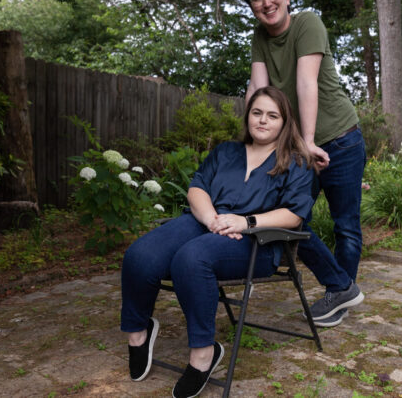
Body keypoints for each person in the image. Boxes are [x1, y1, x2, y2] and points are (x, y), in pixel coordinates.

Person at [120, 86, 316, 397]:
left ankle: (203, 354)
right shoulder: (226, 152)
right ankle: (138, 334)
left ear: (284, 121)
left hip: (256, 241)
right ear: (248, 116)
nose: (263, 120)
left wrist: (245, 221)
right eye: (257, 112)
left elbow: (293, 215)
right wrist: (213, 220)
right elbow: (197, 188)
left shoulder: (296, 162)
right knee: (140, 255)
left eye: (272, 115)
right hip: (206, 222)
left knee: (191, 259)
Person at [239, 0, 367, 328]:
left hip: (340, 139)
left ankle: (336, 298)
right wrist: (251, 141)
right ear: (252, 6)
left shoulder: (307, 22)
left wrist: (309, 141)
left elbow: (306, 84)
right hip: (299, 146)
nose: (266, 3)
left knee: (345, 225)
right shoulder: (259, 38)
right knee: (285, 216)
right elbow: (261, 93)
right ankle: (341, 285)